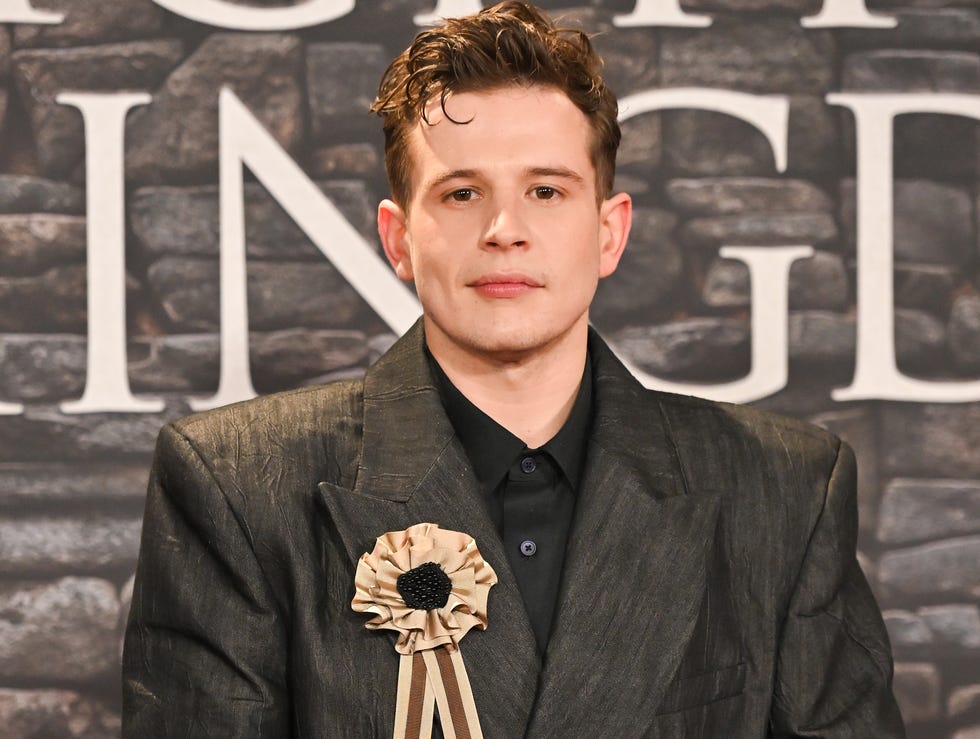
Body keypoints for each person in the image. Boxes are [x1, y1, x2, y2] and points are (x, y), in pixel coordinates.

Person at [122, 2, 905, 736]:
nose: (505, 230)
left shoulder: (787, 489)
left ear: (608, 231)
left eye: (545, 190)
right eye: (462, 193)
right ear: (398, 240)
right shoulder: (234, 487)